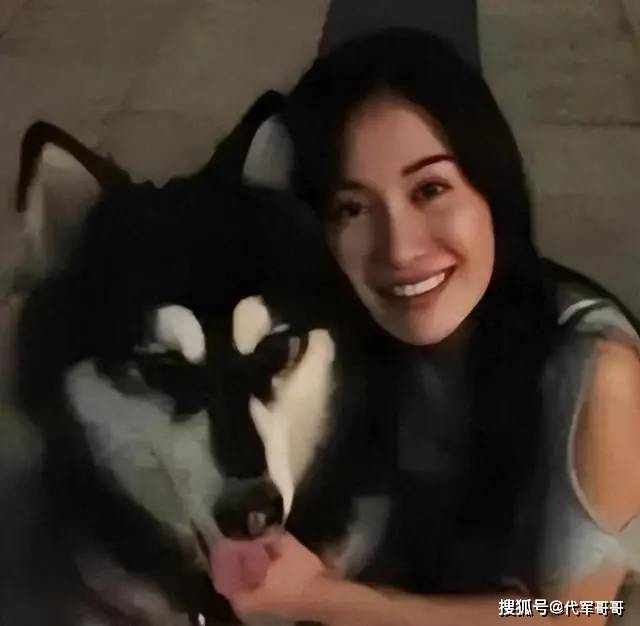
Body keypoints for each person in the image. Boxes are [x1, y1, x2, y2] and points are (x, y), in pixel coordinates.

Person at [229, 29, 640, 625]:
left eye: (430, 189)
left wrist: (320, 598)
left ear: (492, 192)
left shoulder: (597, 371)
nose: (400, 249)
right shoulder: (338, 333)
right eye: (353, 207)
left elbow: (578, 612)